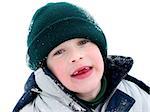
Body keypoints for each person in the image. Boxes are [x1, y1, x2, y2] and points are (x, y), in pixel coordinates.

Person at [13, 2, 150, 112]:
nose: (76, 56)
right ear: (45, 69)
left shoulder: (136, 95)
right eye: (59, 52)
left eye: (83, 42)